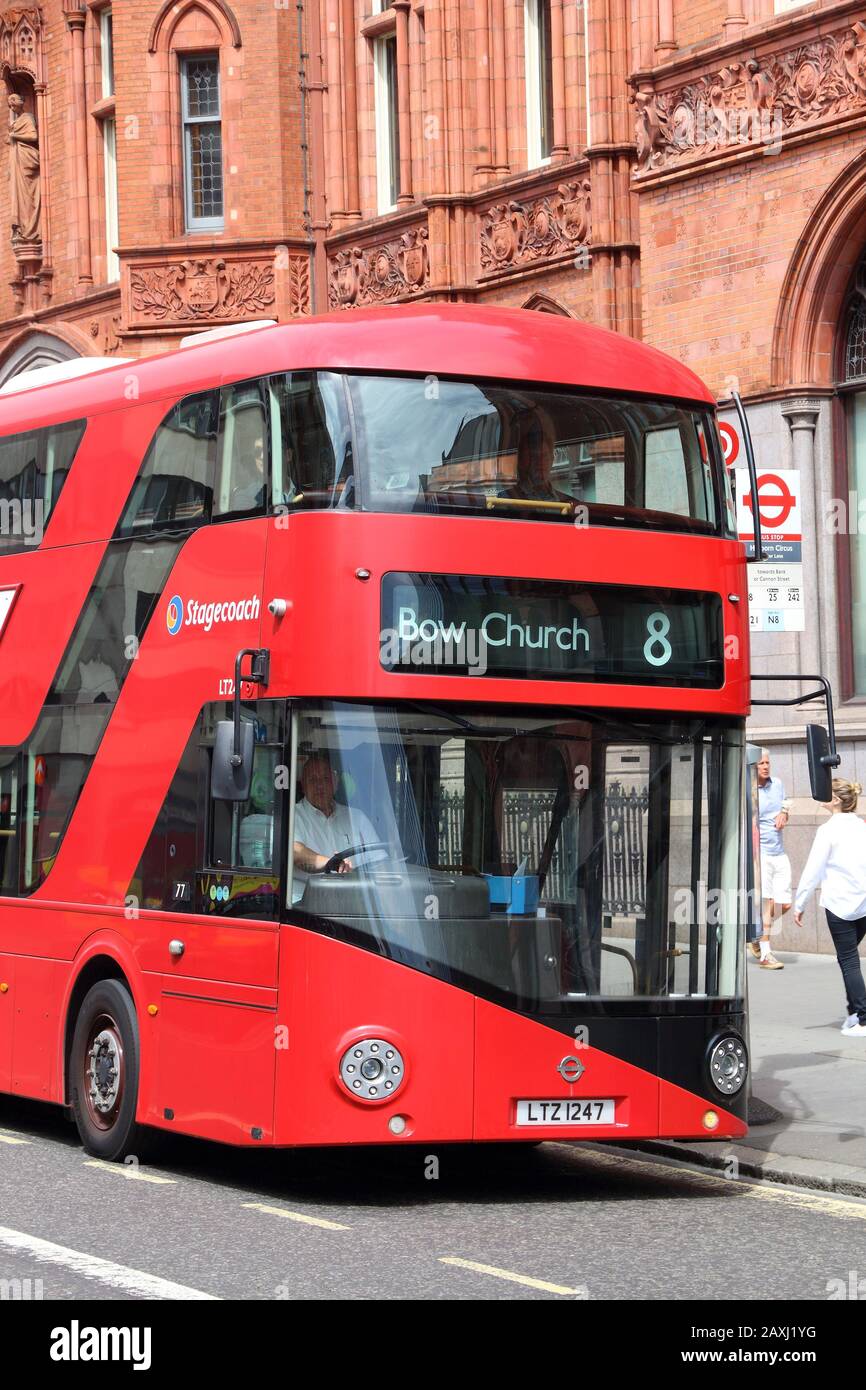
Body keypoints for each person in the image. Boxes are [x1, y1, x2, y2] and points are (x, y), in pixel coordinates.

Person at [794, 777, 866, 1037]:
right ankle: (854, 1013)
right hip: (862, 905)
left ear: (835, 800)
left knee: (848, 961)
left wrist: (799, 902)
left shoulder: (828, 830)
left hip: (840, 905)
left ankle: (863, 1018)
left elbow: (813, 870)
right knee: (847, 959)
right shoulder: (861, 826)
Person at [292, 752, 379, 880]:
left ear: (335, 783)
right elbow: (296, 853)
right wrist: (332, 863)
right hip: (306, 897)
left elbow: (379, 861)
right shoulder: (293, 815)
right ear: (303, 786)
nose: (320, 785)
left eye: (325, 779)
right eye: (313, 779)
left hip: (355, 894)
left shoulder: (357, 817)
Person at [751, 749, 791, 969]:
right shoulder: (749, 789)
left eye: (768, 762)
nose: (765, 766)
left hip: (779, 851)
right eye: (761, 763)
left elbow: (785, 805)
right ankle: (766, 953)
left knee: (785, 903)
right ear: (753, 767)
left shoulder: (777, 784)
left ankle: (757, 934)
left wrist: (785, 814)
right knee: (768, 903)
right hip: (762, 853)